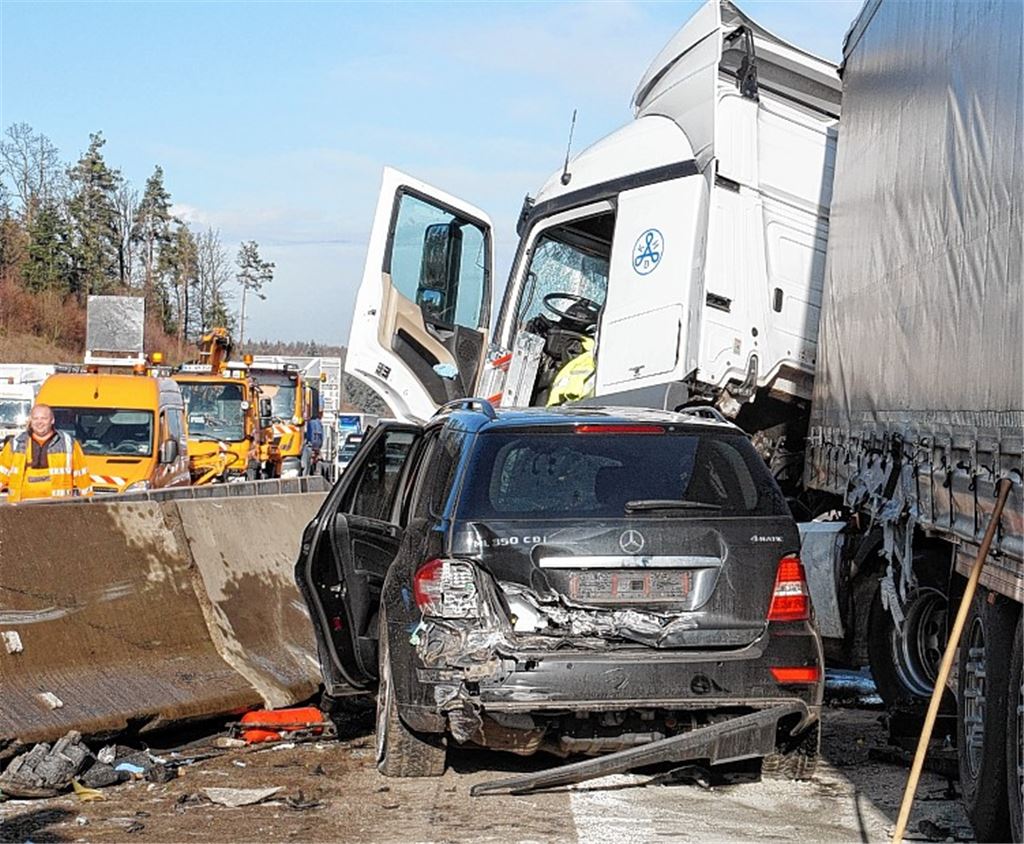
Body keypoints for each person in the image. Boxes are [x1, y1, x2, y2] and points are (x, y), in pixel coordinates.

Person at [0, 403, 93, 503]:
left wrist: (90, 506)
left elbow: (82, 477)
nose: (39, 422)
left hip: (57, 508)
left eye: (44, 418)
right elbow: (2, 473)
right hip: (20, 507)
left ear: (52, 420)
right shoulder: (16, 443)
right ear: (30, 421)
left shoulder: (68, 443)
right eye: (35, 418)